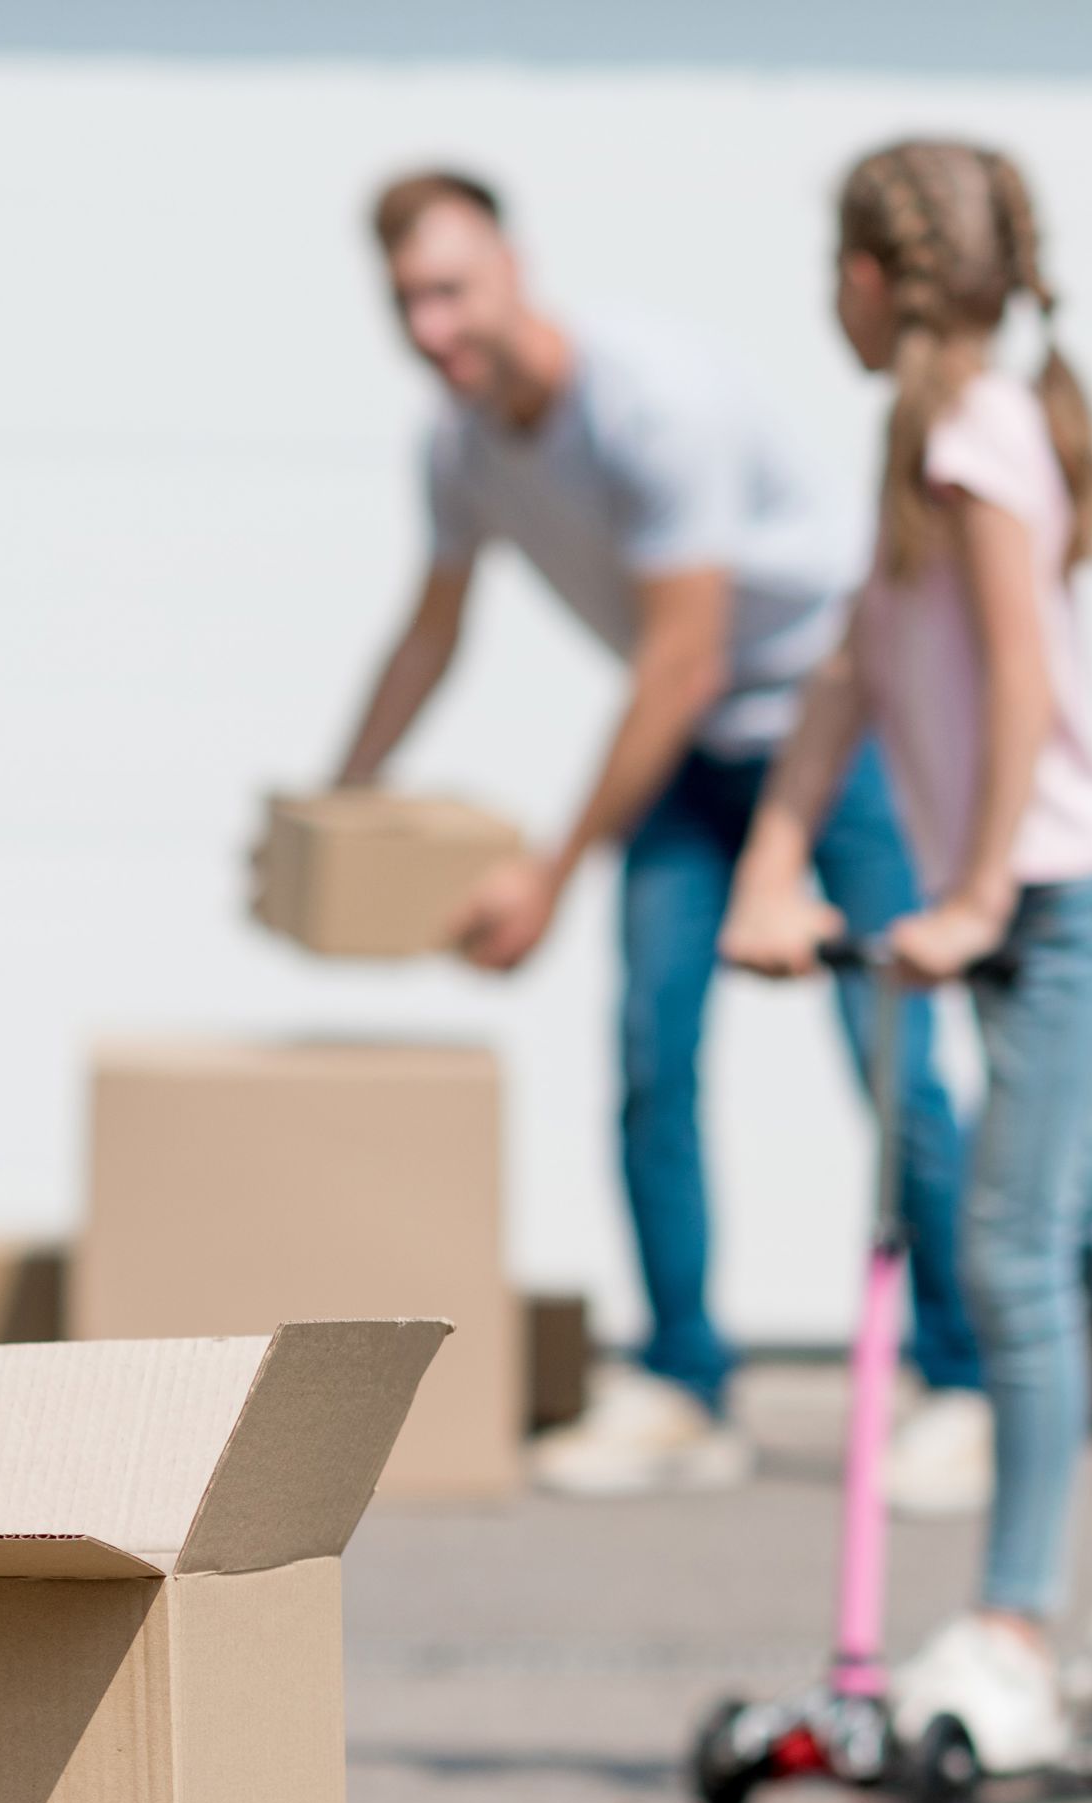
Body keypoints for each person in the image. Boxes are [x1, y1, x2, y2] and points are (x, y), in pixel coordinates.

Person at [723, 138, 1092, 1771]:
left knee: (1005, 1249)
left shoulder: (977, 437)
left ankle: (1010, 1622)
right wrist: (768, 868)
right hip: (1025, 904)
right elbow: (848, 672)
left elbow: (1021, 676)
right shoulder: (923, 437)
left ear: (866, 281)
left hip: (1059, 900)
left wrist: (977, 890)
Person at [331, 168, 989, 1508]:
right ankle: (684, 1385)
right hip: (692, 755)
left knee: (892, 1059)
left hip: (833, 721)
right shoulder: (457, 445)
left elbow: (681, 663)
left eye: (452, 290)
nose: (433, 329)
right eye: (406, 304)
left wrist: (547, 876)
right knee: (650, 1050)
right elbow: (432, 627)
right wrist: (334, 811)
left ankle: (963, 1380)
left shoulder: (651, 406)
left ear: (514, 266)